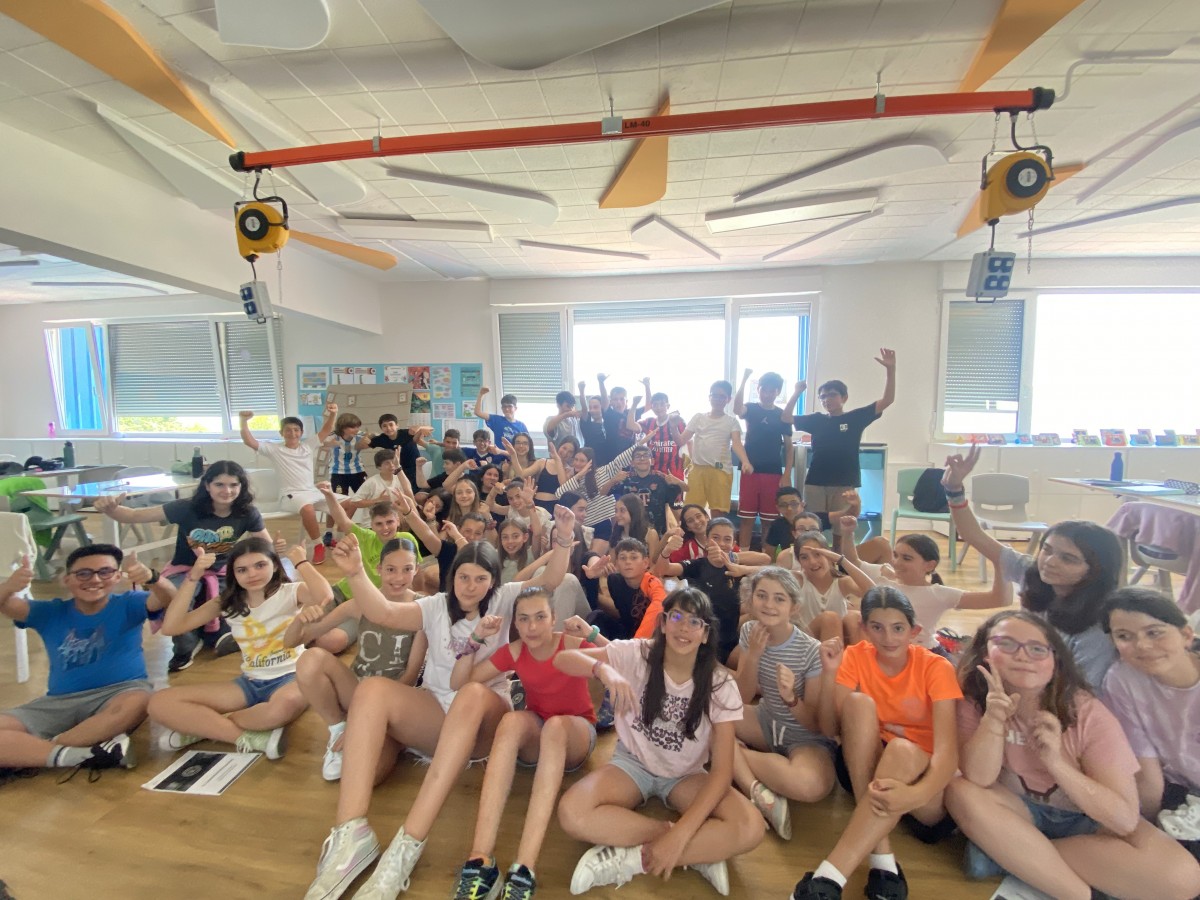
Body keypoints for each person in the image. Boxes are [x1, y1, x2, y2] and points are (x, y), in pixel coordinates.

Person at [302, 508, 578, 900]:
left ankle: (407, 846)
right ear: (453, 577)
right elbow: (383, 612)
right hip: (437, 714)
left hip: (484, 721)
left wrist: (563, 537)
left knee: (470, 693)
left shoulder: (504, 599)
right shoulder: (435, 605)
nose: (471, 587)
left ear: (493, 581)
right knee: (371, 690)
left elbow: (551, 580)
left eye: (481, 579)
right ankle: (351, 834)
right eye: (464, 577)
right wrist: (356, 572)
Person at [944, 609, 1200, 900]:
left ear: (1055, 661)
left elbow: (1124, 820)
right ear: (985, 653)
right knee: (959, 790)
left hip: (1087, 821)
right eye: (1006, 644)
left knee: (1185, 878)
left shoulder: (1090, 715)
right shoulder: (974, 700)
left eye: (1037, 649)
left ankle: (1010, 856)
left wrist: (1055, 762)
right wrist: (993, 720)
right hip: (1020, 811)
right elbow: (979, 778)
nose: (1023, 656)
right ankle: (1075, 892)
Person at [555, 587, 764, 895]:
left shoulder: (719, 683)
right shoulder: (639, 653)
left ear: (706, 634)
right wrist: (606, 672)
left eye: (695, 622)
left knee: (751, 826)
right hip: (632, 764)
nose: (684, 627)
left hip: (686, 775)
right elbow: (563, 660)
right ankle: (697, 851)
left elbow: (721, 772)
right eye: (676, 617)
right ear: (664, 623)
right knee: (571, 813)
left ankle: (634, 859)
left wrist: (681, 835)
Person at [790, 587, 960, 900]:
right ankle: (880, 855)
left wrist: (915, 794)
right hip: (867, 770)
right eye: (878, 628)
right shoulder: (855, 656)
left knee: (901, 750)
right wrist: (829, 674)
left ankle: (832, 875)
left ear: (914, 631)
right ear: (864, 629)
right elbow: (830, 728)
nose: (888, 638)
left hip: (924, 788)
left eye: (898, 628)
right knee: (858, 704)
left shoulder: (937, 667)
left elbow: (948, 755)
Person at [446, 589, 600, 900]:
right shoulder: (515, 651)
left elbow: (627, 662)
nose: (532, 627)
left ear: (553, 619)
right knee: (511, 721)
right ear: (515, 623)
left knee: (555, 727)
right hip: (539, 729)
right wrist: (476, 638)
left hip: (576, 732)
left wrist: (593, 635)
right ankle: (480, 860)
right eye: (524, 619)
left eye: (540, 617)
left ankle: (524, 868)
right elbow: (460, 683)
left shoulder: (570, 644)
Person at [943, 443, 1123, 688]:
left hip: (1057, 695)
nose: (1050, 562)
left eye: (1068, 559)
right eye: (1046, 550)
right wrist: (954, 489)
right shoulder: (1034, 574)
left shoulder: (1098, 628)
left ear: (1096, 570)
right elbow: (974, 536)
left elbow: (1081, 690)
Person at [150, 538, 331, 759]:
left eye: (260, 565)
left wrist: (301, 562)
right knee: (159, 703)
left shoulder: (291, 591)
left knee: (282, 708)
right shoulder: (227, 602)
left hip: (293, 677)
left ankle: (205, 728)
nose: (252, 574)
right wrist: (193, 577)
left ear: (275, 565)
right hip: (250, 683)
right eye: (242, 570)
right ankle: (247, 737)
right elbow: (171, 627)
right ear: (233, 574)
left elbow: (324, 596)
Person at [0, 545, 174, 773]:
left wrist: (153, 578)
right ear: (66, 580)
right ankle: (81, 754)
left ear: (117, 576)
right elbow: (6, 604)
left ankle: (40, 751)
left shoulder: (129, 603)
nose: (95, 579)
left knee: (140, 701)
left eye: (105, 572)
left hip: (120, 693)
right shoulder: (49, 612)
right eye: (83, 573)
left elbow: (171, 599)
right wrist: (8, 587)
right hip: (58, 702)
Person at [92, 459, 274, 672]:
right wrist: (111, 509)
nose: (227, 491)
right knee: (176, 599)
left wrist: (273, 552)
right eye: (220, 484)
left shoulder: (246, 512)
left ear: (241, 486)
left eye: (234, 485)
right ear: (207, 485)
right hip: (185, 569)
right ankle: (185, 645)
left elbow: (265, 546)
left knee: (239, 594)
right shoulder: (186, 507)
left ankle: (218, 632)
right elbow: (134, 515)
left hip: (221, 571)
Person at [288, 538, 428, 781]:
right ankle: (338, 726)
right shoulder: (359, 605)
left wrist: (373, 717)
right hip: (357, 690)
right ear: (379, 569)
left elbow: (411, 674)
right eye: (391, 569)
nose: (398, 577)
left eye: (407, 569)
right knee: (311, 659)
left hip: (395, 700)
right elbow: (292, 642)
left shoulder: (422, 608)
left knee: (369, 776)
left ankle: (388, 736)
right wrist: (300, 620)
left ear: (416, 569)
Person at [732, 567, 837, 840]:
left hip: (805, 738)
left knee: (812, 785)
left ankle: (731, 756)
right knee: (705, 716)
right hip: (766, 721)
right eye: (762, 596)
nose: (769, 604)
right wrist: (754, 656)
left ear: (794, 607)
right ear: (751, 600)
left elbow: (815, 724)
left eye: (779, 598)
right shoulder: (750, 631)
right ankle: (755, 788)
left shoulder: (811, 650)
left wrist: (791, 698)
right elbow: (741, 697)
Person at [1102, 588, 1200, 854]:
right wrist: (1147, 830)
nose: (1142, 645)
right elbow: (1148, 773)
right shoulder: (1122, 680)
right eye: (1124, 636)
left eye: (1154, 633)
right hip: (1180, 792)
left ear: (1186, 635)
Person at [791, 349, 895, 528]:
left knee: (841, 527)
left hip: (845, 481)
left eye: (832, 395)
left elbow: (887, 400)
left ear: (844, 397)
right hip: (816, 481)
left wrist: (891, 370)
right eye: (823, 397)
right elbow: (786, 418)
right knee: (813, 526)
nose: (827, 399)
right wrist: (796, 393)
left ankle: (840, 548)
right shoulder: (816, 419)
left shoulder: (855, 418)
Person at [315, 484, 422, 656]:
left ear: (397, 521)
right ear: (372, 525)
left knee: (330, 642)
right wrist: (329, 495)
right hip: (341, 592)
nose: (385, 528)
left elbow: (416, 575)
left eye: (389, 522)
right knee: (308, 622)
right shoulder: (365, 537)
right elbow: (342, 519)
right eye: (379, 524)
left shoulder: (407, 540)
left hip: (364, 604)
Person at [655, 517, 768, 663]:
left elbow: (768, 562)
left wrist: (741, 568)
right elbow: (663, 569)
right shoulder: (697, 565)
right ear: (707, 541)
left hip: (729, 641)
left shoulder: (735, 568)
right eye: (715, 538)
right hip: (699, 641)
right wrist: (667, 551)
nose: (721, 543)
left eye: (727, 539)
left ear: (733, 543)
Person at [876, 533, 1011, 654]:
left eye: (907, 558)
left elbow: (1000, 599)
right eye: (895, 555)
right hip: (889, 651)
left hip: (925, 655)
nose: (896, 562)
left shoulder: (939, 594)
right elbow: (863, 556)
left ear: (929, 565)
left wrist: (1001, 563)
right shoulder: (882, 581)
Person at [239, 402, 337, 563]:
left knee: (348, 503)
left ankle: (339, 539)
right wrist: (243, 421)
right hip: (291, 496)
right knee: (308, 509)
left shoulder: (307, 446)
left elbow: (326, 430)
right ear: (281, 433)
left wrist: (333, 414)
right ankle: (318, 545)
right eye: (288, 430)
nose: (292, 433)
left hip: (311, 492)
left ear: (301, 432)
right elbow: (249, 441)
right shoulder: (274, 449)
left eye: (296, 430)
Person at [733, 370, 803, 552]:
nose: (767, 394)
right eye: (764, 390)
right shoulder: (751, 408)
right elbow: (737, 409)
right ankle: (744, 556)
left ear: (777, 392)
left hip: (773, 473)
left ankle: (766, 557)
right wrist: (744, 379)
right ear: (758, 389)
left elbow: (789, 447)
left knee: (768, 520)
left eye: (772, 391)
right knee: (746, 518)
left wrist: (786, 474)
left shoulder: (783, 415)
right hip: (750, 471)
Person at [677, 380, 753, 519]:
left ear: (728, 399)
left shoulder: (732, 421)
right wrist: (672, 426)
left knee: (718, 512)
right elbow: (681, 440)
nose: (718, 399)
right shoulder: (698, 417)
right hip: (698, 470)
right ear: (709, 397)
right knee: (692, 512)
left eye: (722, 396)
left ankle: (716, 533)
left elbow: (736, 443)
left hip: (720, 471)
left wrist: (745, 461)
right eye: (715, 395)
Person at [788, 530, 875, 642]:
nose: (812, 562)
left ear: (829, 555)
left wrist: (842, 560)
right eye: (804, 557)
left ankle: (857, 654)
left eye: (817, 554)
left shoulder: (842, 582)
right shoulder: (798, 579)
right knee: (830, 618)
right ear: (799, 561)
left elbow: (874, 593)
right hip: (808, 642)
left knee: (854, 618)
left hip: (838, 640)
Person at [588, 537, 668, 641]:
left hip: (649, 638)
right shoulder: (614, 581)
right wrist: (593, 578)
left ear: (645, 563)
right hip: (626, 633)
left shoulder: (651, 582)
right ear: (617, 563)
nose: (628, 562)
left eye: (634, 557)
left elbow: (659, 604)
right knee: (597, 616)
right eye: (623, 558)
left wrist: (635, 643)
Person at [611, 445, 680, 536]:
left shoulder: (661, 479)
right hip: (631, 531)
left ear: (652, 461)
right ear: (632, 463)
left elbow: (675, 504)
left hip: (658, 531)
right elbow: (603, 492)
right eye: (638, 456)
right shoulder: (626, 480)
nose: (642, 459)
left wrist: (680, 523)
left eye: (646, 455)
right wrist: (614, 479)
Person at [629, 377, 686, 481]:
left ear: (668, 406)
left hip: (674, 473)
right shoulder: (649, 422)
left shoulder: (677, 421)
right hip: (654, 473)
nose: (658, 407)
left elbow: (688, 442)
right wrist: (634, 405)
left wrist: (691, 462)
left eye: (662, 404)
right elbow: (631, 426)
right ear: (652, 407)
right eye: (655, 405)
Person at [368, 413, 432, 488]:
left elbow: (430, 428)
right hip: (397, 470)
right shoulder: (382, 439)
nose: (388, 428)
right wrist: (368, 436)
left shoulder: (406, 433)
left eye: (391, 424)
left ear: (397, 425)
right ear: (381, 428)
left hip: (414, 469)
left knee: (414, 490)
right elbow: (367, 443)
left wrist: (419, 428)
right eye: (384, 426)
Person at [342, 448, 403, 525]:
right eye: (387, 463)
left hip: (395, 522)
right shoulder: (372, 482)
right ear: (379, 467)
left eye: (393, 462)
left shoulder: (401, 479)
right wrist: (377, 500)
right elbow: (355, 501)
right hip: (372, 524)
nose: (391, 465)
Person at [763, 486, 806, 559]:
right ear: (778, 508)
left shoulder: (813, 520)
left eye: (794, 504)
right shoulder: (777, 525)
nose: (789, 508)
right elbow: (769, 555)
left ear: (802, 505)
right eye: (783, 505)